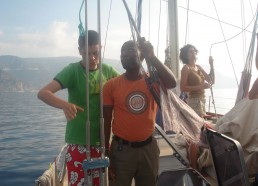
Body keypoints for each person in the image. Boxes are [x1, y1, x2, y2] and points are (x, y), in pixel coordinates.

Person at [37, 30, 120, 186]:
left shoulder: (108, 71)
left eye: (95, 53)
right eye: (87, 54)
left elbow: (125, 87)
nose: (92, 58)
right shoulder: (72, 71)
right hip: (78, 142)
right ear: (80, 51)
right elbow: (43, 93)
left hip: (102, 142)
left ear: (100, 48)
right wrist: (65, 105)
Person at [103, 38, 177, 186]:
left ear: (140, 53)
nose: (124, 54)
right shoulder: (111, 85)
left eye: (130, 49)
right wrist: (106, 152)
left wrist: (152, 56)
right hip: (121, 150)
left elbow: (172, 82)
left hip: (148, 150)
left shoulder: (152, 81)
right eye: (122, 52)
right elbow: (105, 121)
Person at [179, 44, 215, 118]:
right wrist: (201, 86)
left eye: (194, 51)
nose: (193, 53)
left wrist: (211, 65)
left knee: (200, 126)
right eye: (190, 52)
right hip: (194, 101)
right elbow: (182, 88)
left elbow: (211, 80)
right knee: (198, 127)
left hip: (202, 100)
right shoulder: (186, 68)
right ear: (186, 55)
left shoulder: (198, 67)